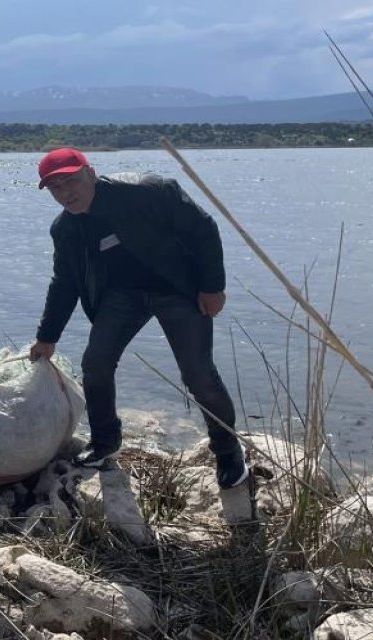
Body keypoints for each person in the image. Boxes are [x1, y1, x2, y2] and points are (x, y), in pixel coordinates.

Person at [28, 147, 249, 491]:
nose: (66, 193)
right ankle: (104, 441)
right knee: (96, 364)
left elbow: (202, 228)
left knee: (198, 374)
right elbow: (64, 283)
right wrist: (47, 337)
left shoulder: (147, 191)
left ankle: (228, 451)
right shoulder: (66, 229)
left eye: (71, 181)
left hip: (179, 289)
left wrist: (212, 287)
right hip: (122, 296)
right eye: (55, 188)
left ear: (91, 172)